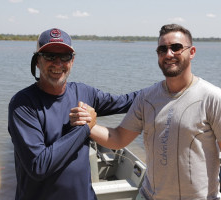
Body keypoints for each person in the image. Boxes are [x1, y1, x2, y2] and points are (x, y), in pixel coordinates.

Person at [70, 24, 221, 200]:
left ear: (191, 52)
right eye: (162, 49)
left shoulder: (213, 98)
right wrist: (90, 125)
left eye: (176, 48)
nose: (169, 54)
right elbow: (119, 138)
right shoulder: (146, 98)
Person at [8, 28, 138, 200]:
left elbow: (126, 101)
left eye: (65, 56)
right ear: (37, 61)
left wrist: (166, 88)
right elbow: (38, 166)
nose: (58, 63)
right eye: (49, 56)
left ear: (73, 60)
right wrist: (85, 127)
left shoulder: (84, 92)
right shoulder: (23, 104)